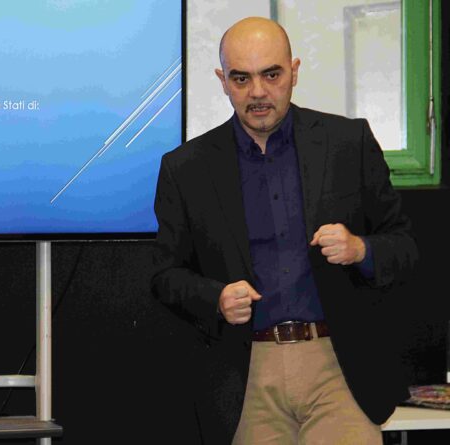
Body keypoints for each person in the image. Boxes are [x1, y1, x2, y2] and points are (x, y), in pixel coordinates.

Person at [151, 17, 418, 445]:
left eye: (271, 75)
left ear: (294, 72)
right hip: (245, 376)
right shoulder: (186, 168)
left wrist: (359, 249)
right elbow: (164, 276)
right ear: (222, 81)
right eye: (241, 78)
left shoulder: (348, 142)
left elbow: (405, 246)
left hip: (339, 367)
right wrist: (215, 298)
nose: (257, 92)